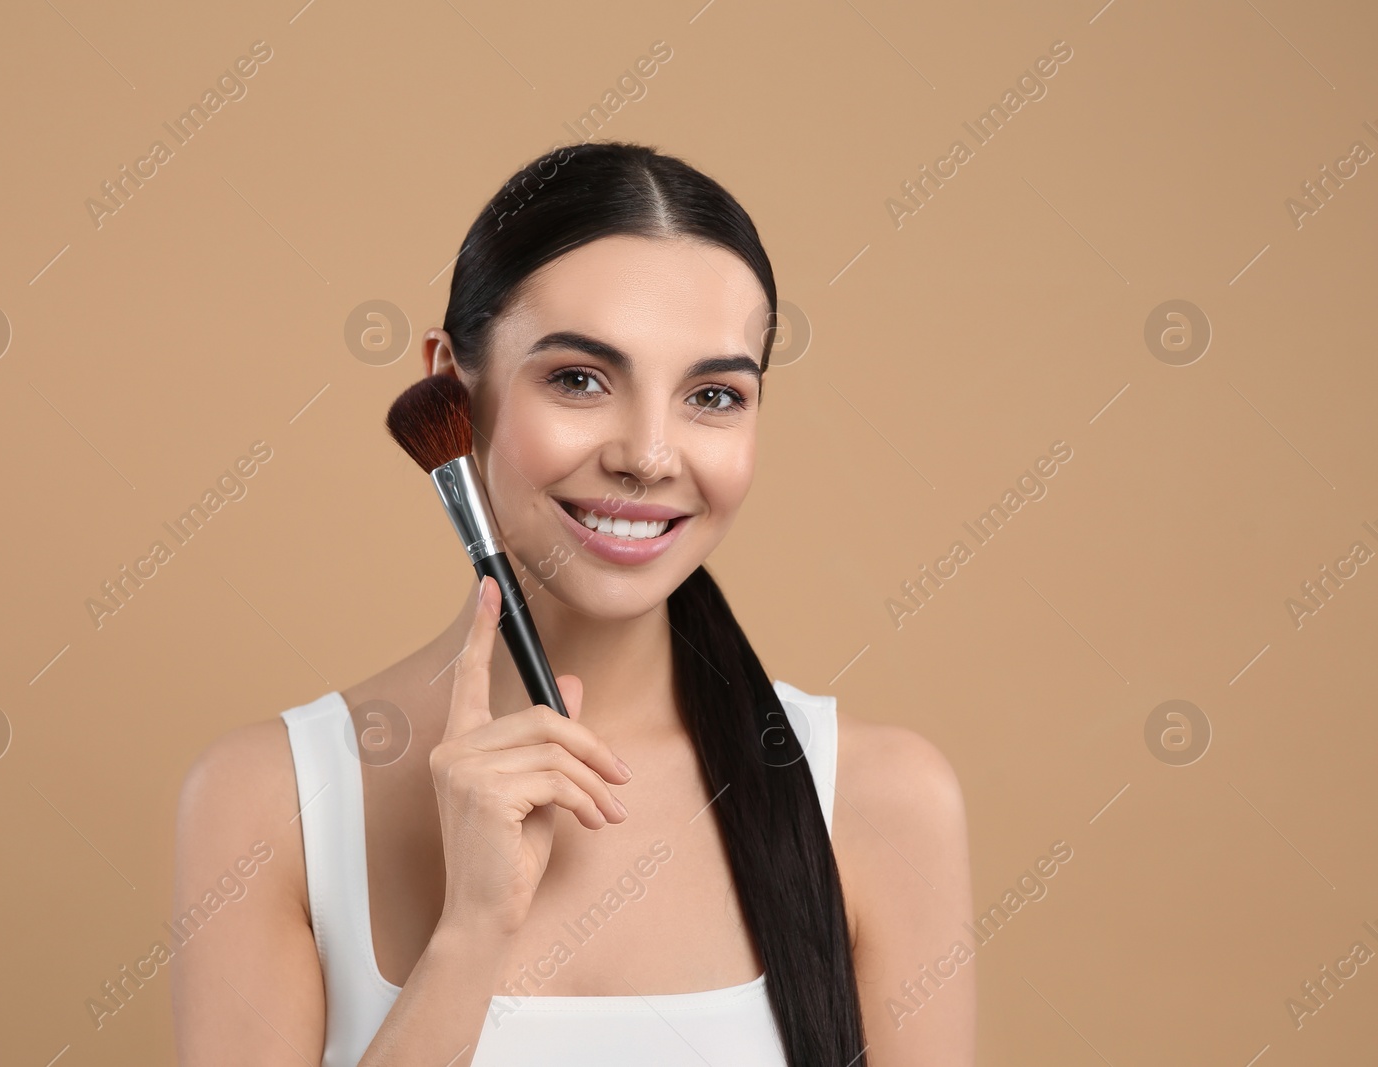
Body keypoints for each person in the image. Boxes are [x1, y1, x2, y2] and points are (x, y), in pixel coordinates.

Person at [172, 141, 975, 1065]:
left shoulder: (881, 801)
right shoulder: (267, 800)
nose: (648, 453)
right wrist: (472, 932)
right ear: (450, 385)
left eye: (713, 395)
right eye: (580, 379)